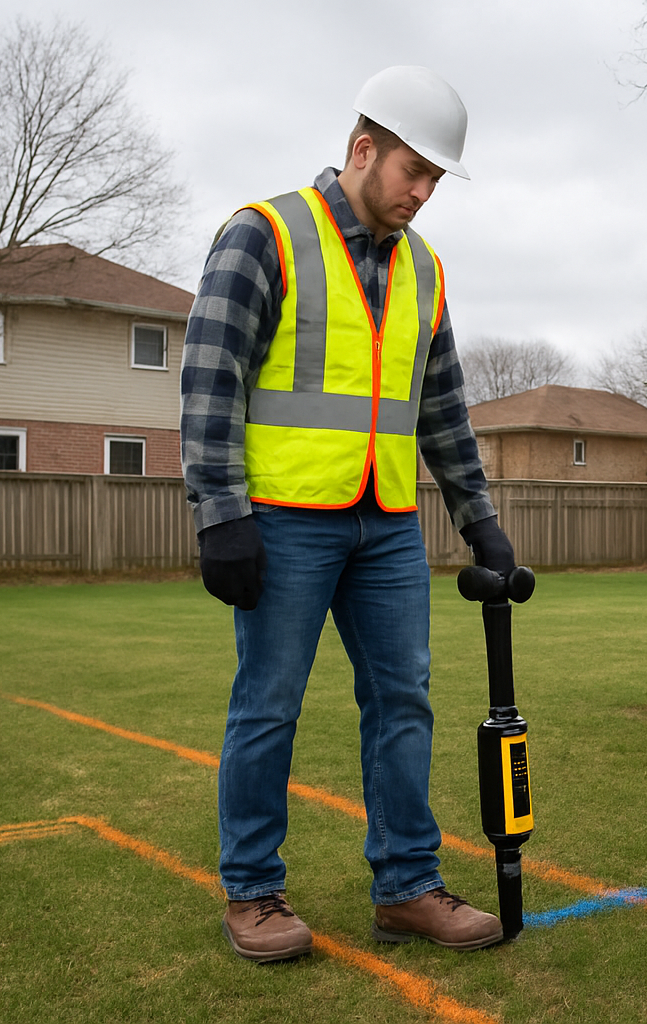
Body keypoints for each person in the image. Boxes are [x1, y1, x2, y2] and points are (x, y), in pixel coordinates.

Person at [179, 66, 513, 962]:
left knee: (404, 700)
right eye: (413, 170)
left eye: (435, 180)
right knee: (269, 706)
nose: (421, 193)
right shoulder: (266, 236)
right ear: (363, 149)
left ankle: (407, 887)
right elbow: (211, 381)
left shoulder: (426, 269)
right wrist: (221, 514)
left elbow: (440, 407)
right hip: (283, 521)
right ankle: (253, 892)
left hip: (388, 527)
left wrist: (478, 517)